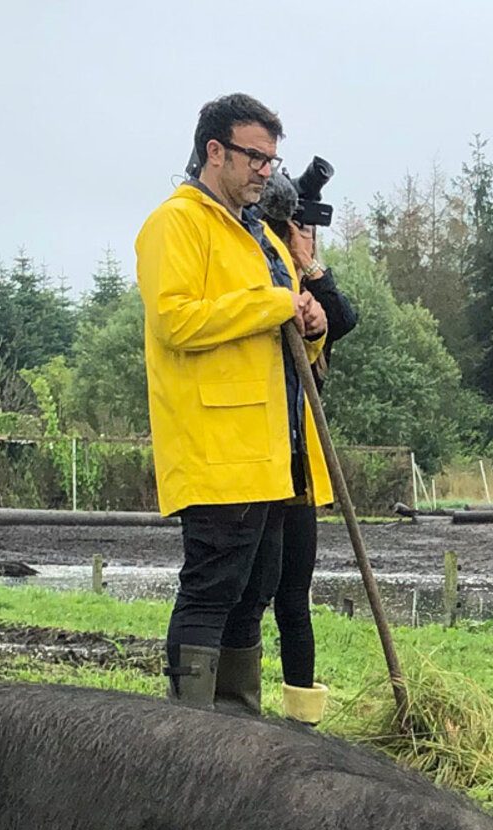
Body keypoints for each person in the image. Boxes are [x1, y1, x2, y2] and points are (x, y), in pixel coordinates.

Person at [135, 92, 330, 714]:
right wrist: (278, 305)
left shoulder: (256, 235)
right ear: (213, 150)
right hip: (217, 445)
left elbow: (286, 323)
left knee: (256, 589)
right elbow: (176, 320)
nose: (266, 171)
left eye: (271, 160)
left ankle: (237, 727)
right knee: (212, 588)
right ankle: (189, 733)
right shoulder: (177, 223)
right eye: (255, 157)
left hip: (271, 448)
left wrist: (312, 318)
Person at [255, 169, 359, 726]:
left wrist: (310, 263)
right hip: (253, 455)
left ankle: (301, 720)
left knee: (295, 599)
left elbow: (343, 318)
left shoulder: (309, 295)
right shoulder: (260, 280)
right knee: (250, 596)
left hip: (298, 465)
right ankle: (233, 714)